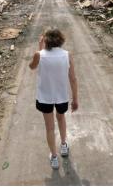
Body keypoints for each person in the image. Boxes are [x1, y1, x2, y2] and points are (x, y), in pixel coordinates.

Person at [28, 27, 79, 170]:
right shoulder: (67, 55)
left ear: (45, 40)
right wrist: (75, 99)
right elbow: (73, 79)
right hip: (61, 96)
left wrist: (39, 49)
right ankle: (63, 145)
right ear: (61, 39)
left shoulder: (39, 54)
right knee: (61, 119)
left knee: (49, 127)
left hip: (45, 97)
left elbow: (32, 67)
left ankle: (54, 157)